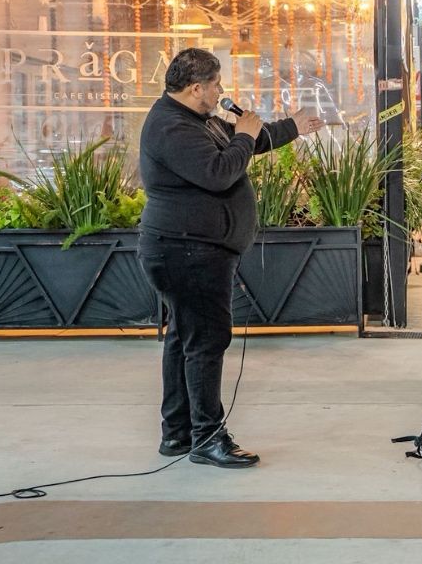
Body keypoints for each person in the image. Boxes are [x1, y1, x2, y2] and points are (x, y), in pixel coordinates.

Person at [138, 48, 324, 469]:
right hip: (187, 251)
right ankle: (207, 437)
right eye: (216, 84)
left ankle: (178, 433)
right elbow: (220, 172)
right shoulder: (171, 127)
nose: (221, 91)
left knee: (185, 338)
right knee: (206, 340)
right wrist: (243, 135)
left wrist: (291, 127)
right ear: (196, 88)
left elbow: (247, 142)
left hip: (193, 248)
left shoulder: (196, 119)